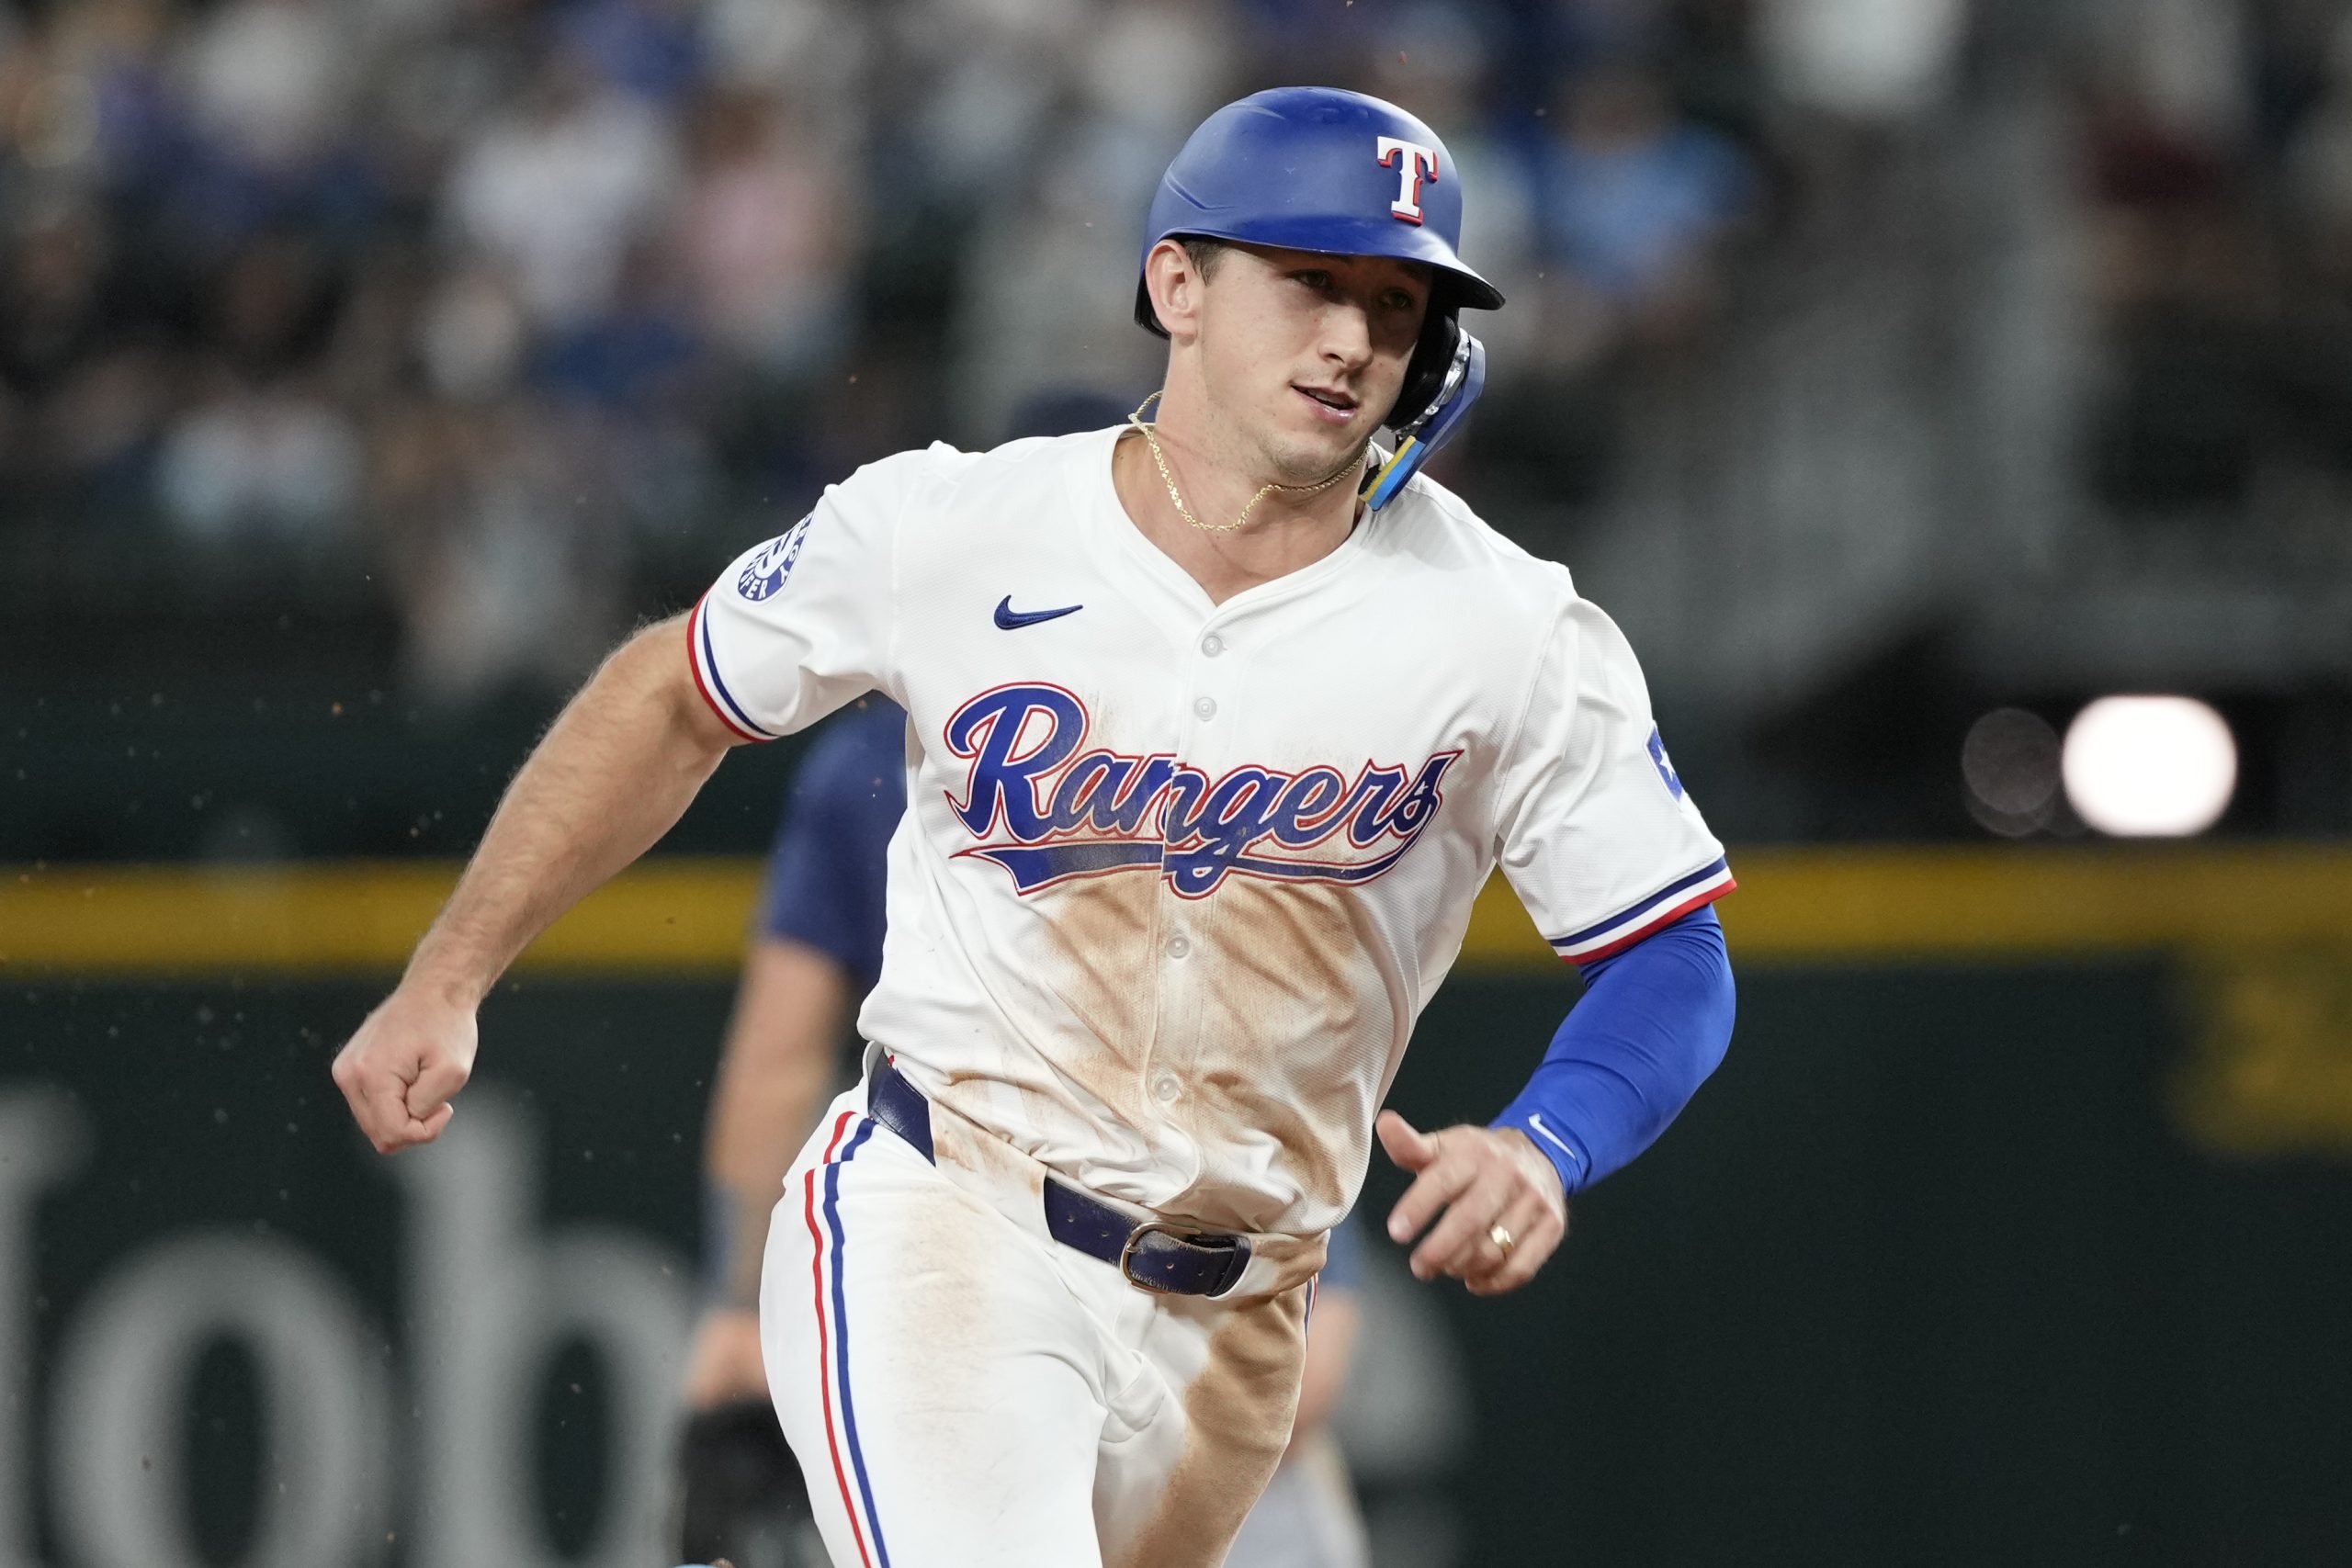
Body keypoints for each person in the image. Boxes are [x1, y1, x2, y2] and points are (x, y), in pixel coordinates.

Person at [333, 86, 1738, 1568]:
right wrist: (452, 972)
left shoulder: (1510, 623)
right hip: (954, 1216)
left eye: (1399, 304)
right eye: (1310, 281)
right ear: (1178, 285)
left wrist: (1544, 1142)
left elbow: (1671, 949)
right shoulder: (958, 524)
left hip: (1241, 1313)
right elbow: (675, 693)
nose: (1352, 338)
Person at [675, 695, 1371, 1568]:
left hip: (1014, 1313)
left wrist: (739, 1307)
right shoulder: (1197, 730)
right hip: (1163, 1313)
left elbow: (778, 1061)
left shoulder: (889, 755)